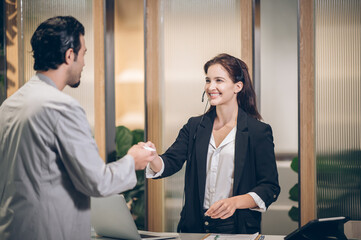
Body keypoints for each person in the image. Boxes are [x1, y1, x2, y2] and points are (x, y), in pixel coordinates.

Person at [0, 16, 155, 240]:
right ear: (69, 55)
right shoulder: (62, 107)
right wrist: (133, 160)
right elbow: (97, 182)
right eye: (83, 54)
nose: (83, 63)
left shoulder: (10, 104)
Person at [145, 53, 280, 234]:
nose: (211, 87)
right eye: (208, 80)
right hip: (193, 226)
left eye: (219, 80)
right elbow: (170, 161)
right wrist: (153, 157)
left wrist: (235, 202)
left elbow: (269, 187)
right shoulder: (194, 126)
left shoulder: (258, 132)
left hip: (236, 227)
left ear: (238, 86)